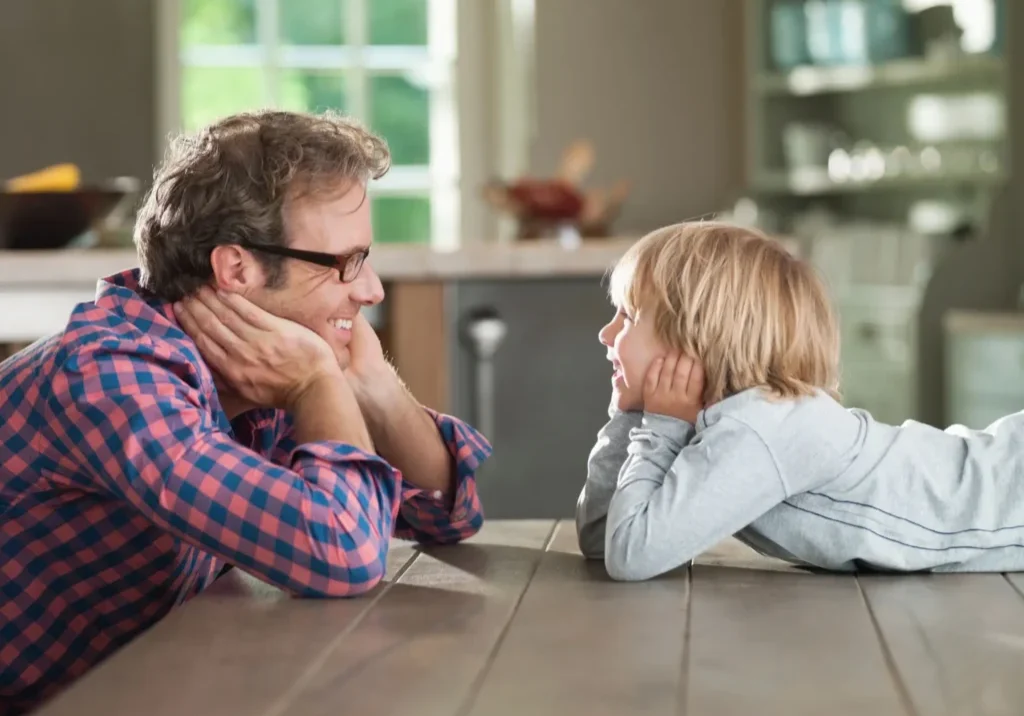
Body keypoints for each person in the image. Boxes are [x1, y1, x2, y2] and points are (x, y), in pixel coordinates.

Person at [0, 110, 491, 714]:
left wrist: (377, 387)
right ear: (237, 269)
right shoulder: (113, 377)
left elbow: (449, 514)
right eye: (345, 263)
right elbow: (343, 553)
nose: (371, 291)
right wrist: (318, 384)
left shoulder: (252, 373)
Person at [576, 220, 1024, 582]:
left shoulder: (761, 427)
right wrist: (633, 418)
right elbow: (601, 538)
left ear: (696, 339)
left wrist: (658, 428)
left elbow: (631, 554)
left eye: (628, 317)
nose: (606, 335)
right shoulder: (721, 421)